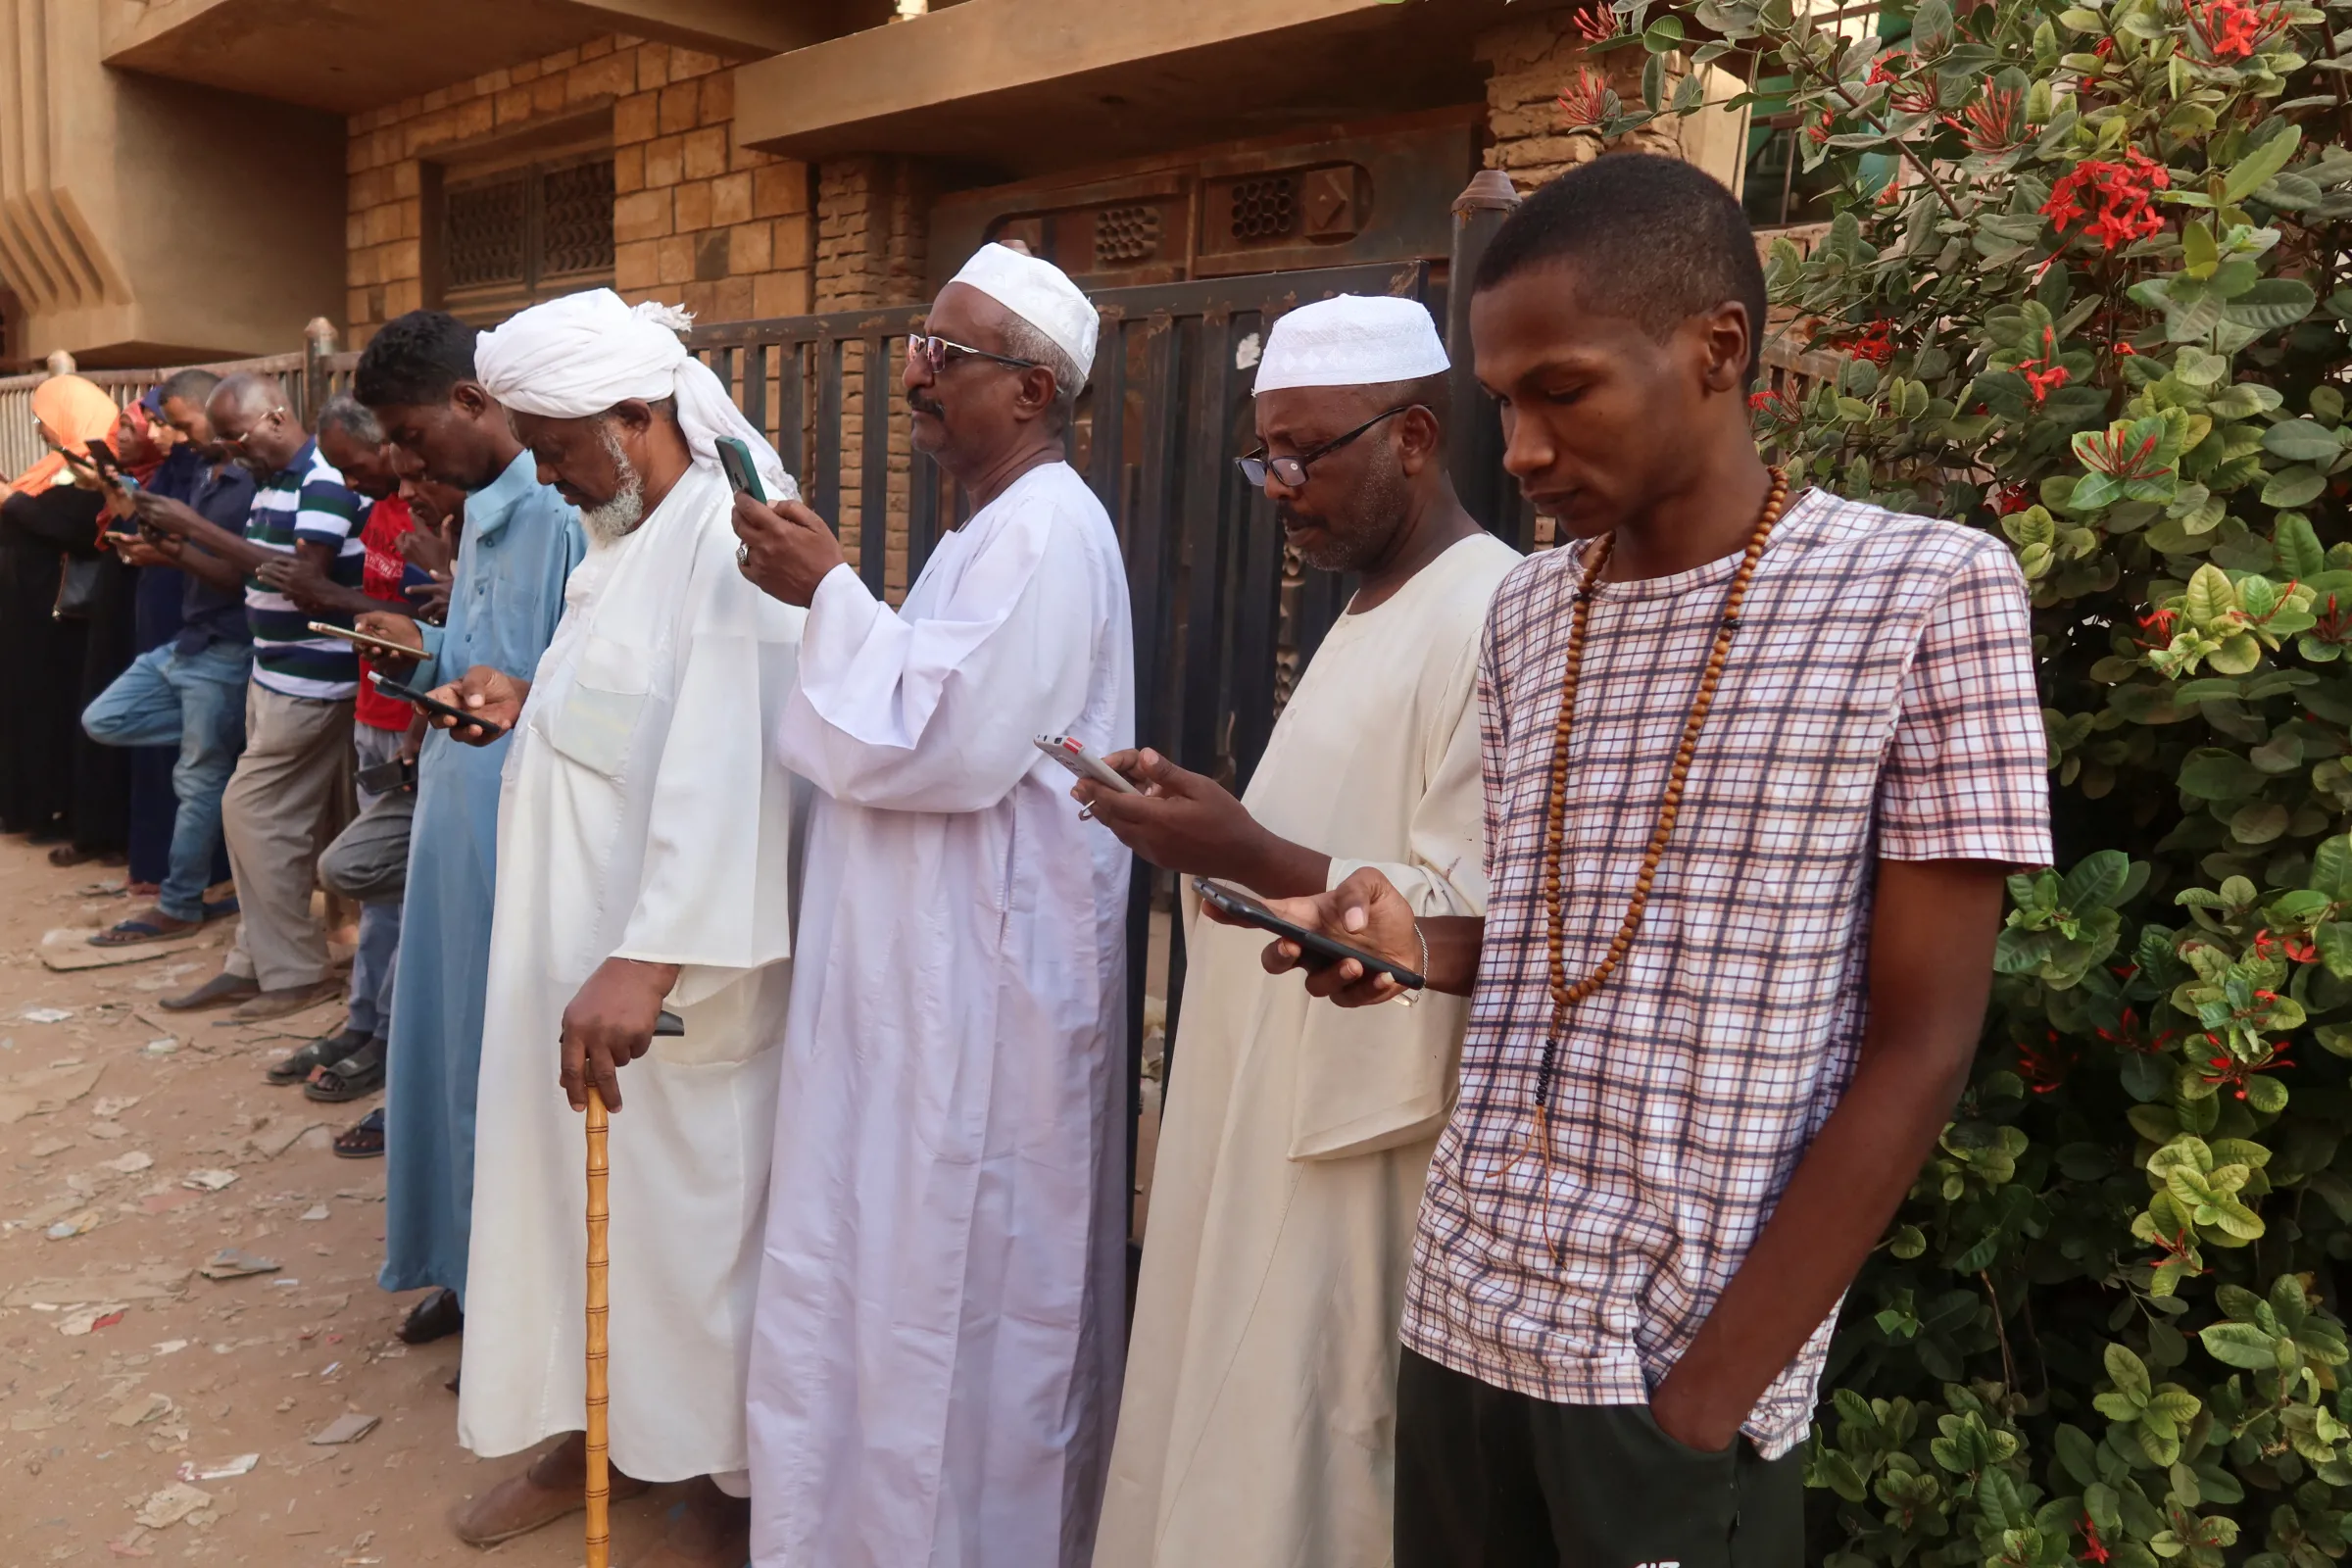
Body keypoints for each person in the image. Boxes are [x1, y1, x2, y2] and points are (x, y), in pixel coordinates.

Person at [1243, 154, 2053, 1568]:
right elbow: (1573, 940)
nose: (1524, 450)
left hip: (1672, 1367)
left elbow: (1924, 1043)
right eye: (1502, 403)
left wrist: (1709, 1397)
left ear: (1717, 349)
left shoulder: (1927, 595)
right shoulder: (1528, 613)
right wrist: (1407, 941)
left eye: (1562, 389)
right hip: (1464, 1315)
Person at [1077, 294, 1518, 1566]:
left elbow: (1471, 913)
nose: (1277, 486)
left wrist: (1248, 852)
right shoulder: (1374, 606)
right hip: (1257, 1104)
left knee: (1300, 1459)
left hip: (1354, 1146)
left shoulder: (1490, 611)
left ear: (1417, 436)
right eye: (1263, 456)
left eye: (1304, 454)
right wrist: (1197, 830)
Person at [729, 242, 1134, 1568]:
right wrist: (840, 601)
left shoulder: (1053, 530)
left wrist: (832, 590)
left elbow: (949, 741)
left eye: (944, 356)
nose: (915, 375)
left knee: (973, 1309)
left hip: (986, 1007)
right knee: (878, 1277)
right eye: (918, 344)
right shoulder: (987, 530)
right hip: (920, 997)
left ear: (1031, 391)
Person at [421, 289, 807, 1568]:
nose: (543, 472)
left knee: (695, 1250)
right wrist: (524, 703)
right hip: (576, 965)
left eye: (555, 446)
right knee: (586, 1226)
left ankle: (728, 1488)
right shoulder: (619, 531)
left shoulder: (728, 537)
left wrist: (644, 959)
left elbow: (739, 763)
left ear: (637, 418)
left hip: (670, 982)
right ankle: (601, 1434)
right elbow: (629, 720)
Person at [347, 307, 585, 1344]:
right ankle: (461, 1260)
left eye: (409, 434)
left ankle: (515, 1302)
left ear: (472, 401)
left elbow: (570, 685)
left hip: (517, 837)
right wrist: (425, 649)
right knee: (444, 1055)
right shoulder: (484, 510)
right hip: (454, 816)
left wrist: (504, 686)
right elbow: (489, 659)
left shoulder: (564, 515)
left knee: (505, 1069)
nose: (401, 462)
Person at [135, 372, 368, 1021]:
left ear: (275, 418)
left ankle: (294, 971)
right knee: (267, 826)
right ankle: (251, 962)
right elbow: (247, 573)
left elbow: (302, 582)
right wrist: (176, 542)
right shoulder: (274, 478)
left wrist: (194, 525)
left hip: (314, 681)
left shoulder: (322, 478)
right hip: (274, 672)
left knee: (250, 813)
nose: (233, 453)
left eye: (238, 438)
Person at [253, 396, 418, 1104]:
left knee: (398, 890)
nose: (350, 486)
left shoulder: (425, 509)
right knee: (378, 890)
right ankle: (364, 1021)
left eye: (355, 468)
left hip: (418, 718)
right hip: (374, 710)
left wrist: (325, 594)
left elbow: (434, 625)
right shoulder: (380, 511)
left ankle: (390, 1033)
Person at [314, 473, 466, 1163]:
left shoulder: (526, 523)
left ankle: (405, 1084)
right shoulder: (415, 516)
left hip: (480, 769)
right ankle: (374, 1033)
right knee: (365, 881)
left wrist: (446, 584)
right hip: (417, 740)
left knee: (434, 934)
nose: (405, 483)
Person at [79, 368, 256, 945]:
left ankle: (179, 904)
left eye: (176, 422)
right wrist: (162, 552)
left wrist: (173, 547)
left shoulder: (251, 481)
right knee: (103, 719)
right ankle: (220, 735)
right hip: (186, 644)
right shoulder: (208, 472)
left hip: (224, 644)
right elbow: (201, 556)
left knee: (197, 779)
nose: (168, 433)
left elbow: (243, 572)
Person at [0, 375, 120, 849]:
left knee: (55, 712)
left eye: (44, 418)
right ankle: (29, 808)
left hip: (64, 618)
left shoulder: (97, 466)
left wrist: (12, 501)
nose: (40, 429)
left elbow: (77, 526)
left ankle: (58, 811)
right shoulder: (57, 465)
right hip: (32, 614)